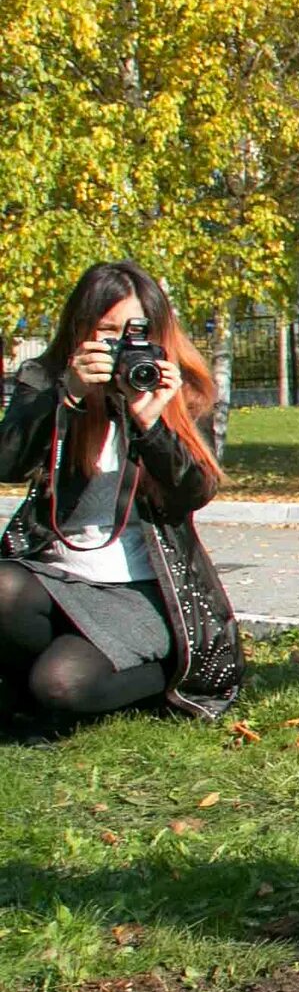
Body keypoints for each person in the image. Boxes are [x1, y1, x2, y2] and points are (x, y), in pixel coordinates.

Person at [0, 262, 244, 724]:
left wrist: (152, 424)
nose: (123, 346)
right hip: (57, 574)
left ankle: (168, 672)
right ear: (81, 330)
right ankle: (33, 685)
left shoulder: (182, 388)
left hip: (146, 587)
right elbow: (6, 464)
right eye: (108, 331)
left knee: (60, 686)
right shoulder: (49, 377)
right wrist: (65, 396)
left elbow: (194, 493)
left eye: (137, 331)